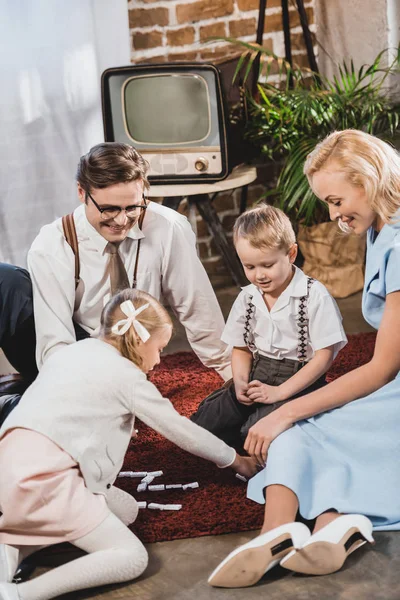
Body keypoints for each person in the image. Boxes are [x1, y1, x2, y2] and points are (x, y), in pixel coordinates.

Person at [207, 129, 400, 589]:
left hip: (393, 382)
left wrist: (284, 410)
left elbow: (383, 366)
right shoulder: (380, 229)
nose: (334, 215)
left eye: (336, 201)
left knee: (299, 428)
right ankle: (297, 533)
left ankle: (309, 527)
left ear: (368, 179)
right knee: (301, 434)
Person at [0, 288, 256, 600]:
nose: (160, 358)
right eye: (159, 348)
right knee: (131, 557)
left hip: (8, 468)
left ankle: (13, 543)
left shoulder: (71, 352)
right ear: (138, 340)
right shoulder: (127, 378)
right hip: (46, 481)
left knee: (127, 509)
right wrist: (236, 460)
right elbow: (182, 431)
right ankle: (21, 594)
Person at [0, 142, 232, 422]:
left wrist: (234, 375)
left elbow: (198, 309)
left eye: (132, 207)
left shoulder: (168, 228)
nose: (122, 220)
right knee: (7, 280)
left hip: (132, 354)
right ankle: (18, 405)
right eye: (109, 209)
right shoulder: (52, 243)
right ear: (82, 193)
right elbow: (55, 347)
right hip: (76, 353)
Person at [191, 204, 347, 446]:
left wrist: (280, 392)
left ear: (291, 254)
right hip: (259, 372)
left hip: (300, 378)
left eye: (268, 265)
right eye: (250, 267)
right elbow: (241, 348)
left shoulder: (314, 295)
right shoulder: (248, 297)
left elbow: (324, 357)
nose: (259, 275)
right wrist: (241, 381)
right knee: (202, 425)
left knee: (256, 433)